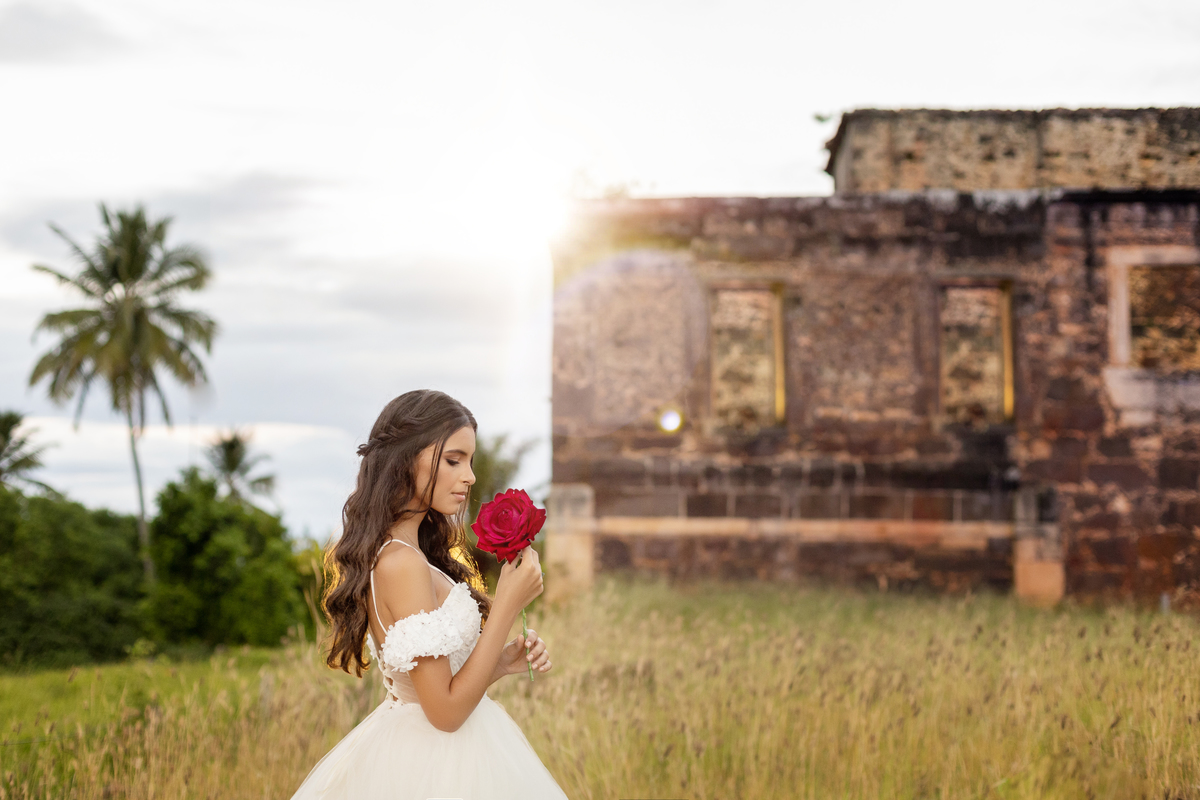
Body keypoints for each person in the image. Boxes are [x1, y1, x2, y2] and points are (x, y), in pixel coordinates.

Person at [291, 389, 567, 799]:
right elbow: (445, 713)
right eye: (454, 460)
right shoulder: (402, 563)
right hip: (434, 764)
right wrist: (508, 603)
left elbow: (437, 688)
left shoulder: (408, 553)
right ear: (406, 460)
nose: (470, 476)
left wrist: (497, 663)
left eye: (470, 461)